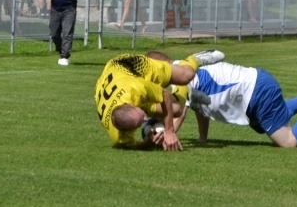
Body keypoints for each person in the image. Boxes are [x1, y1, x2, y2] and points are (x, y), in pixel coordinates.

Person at [176, 61, 297, 148]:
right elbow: (198, 106)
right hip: (257, 84)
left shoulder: (178, 82)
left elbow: (179, 113)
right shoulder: (182, 67)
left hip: (257, 91)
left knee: (288, 141)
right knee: (263, 122)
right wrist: (202, 138)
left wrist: (167, 133)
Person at [93, 49, 226, 150]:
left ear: (131, 104)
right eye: (140, 122)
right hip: (116, 83)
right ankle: (188, 92)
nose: (146, 118)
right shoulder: (117, 136)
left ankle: (194, 59)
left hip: (127, 66)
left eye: (142, 116)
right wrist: (149, 143)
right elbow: (132, 146)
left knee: (185, 76)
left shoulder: (136, 89)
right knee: (176, 110)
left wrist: (169, 131)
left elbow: (165, 95)